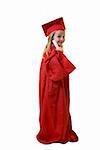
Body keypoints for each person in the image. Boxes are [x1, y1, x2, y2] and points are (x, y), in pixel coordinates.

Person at [36, 17, 78, 144]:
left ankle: (61, 130)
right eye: (59, 36)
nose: (62, 39)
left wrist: (59, 53)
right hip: (52, 90)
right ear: (51, 38)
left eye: (63, 36)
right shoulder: (50, 54)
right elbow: (57, 72)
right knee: (54, 110)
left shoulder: (56, 52)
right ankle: (53, 133)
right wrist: (59, 54)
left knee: (61, 109)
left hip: (60, 88)